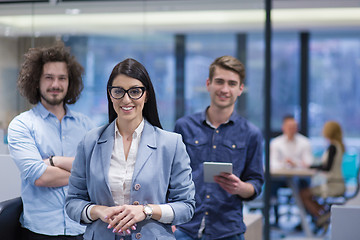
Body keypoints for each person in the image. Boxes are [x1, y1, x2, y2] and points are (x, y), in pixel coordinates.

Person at [65, 58, 195, 240]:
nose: (126, 99)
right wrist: (99, 211)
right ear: (110, 95)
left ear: (146, 95)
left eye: (135, 91)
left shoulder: (171, 144)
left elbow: (187, 207)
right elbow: (73, 203)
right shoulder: (90, 142)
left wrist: (146, 211)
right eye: (118, 91)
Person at [7, 43, 94, 239]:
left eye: (62, 78)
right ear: (36, 81)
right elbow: (40, 177)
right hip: (40, 231)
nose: (56, 84)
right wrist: (84, 173)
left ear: (70, 82)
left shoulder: (87, 126)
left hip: (81, 229)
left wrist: (54, 162)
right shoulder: (22, 125)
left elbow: (99, 170)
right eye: (49, 77)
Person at [174, 55, 264, 240]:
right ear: (208, 84)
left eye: (232, 84)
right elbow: (170, 177)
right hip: (185, 229)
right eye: (219, 81)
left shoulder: (251, 134)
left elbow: (256, 183)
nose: (224, 89)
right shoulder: (184, 127)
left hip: (228, 230)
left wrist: (240, 187)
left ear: (240, 89)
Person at [300, 121, 345, 228]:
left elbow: (326, 167)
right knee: (306, 193)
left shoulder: (333, 147)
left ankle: (323, 216)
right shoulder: (338, 146)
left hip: (333, 185)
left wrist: (310, 166)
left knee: (303, 194)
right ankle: (325, 214)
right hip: (335, 183)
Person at [269, 115, 313, 226]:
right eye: (289, 127)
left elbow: (308, 163)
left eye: (294, 127)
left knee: (305, 186)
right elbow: (272, 163)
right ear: (283, 127)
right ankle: (274, 218)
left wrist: (295, 163)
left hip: (299, 178)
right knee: (270, 185)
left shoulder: (304, 142)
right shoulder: (275, 143)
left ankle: (304, 222)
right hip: (280, 178)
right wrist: (285, 163)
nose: (291, 129)